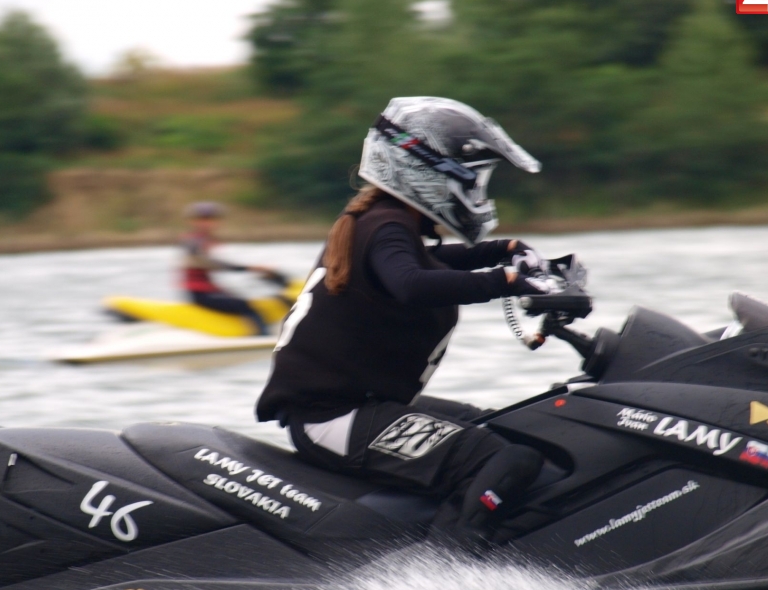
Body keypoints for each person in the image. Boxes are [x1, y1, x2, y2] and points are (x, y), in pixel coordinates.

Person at [256, 96, 552, 540]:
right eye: (470, 175)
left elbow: (431, 263)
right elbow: (412, 283)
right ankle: (448, 570)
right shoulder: (388, 226)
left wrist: (504, 251)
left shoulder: (381, 220)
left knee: (500, 423)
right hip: (334, 417)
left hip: (352, 409)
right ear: (425, 171)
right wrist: (507, 280)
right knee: (504, 460)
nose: (475, 188)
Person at [181, 201, 276, 336]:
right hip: (201, 294)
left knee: (242, 301)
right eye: (202, 219)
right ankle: (263, 338)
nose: (207, 223)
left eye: (211, 219)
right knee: (250, 308)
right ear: (192, 221)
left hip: (209, 291)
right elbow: (208, 263)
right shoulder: (193, 241)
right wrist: (250, 268)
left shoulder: (206, 240)